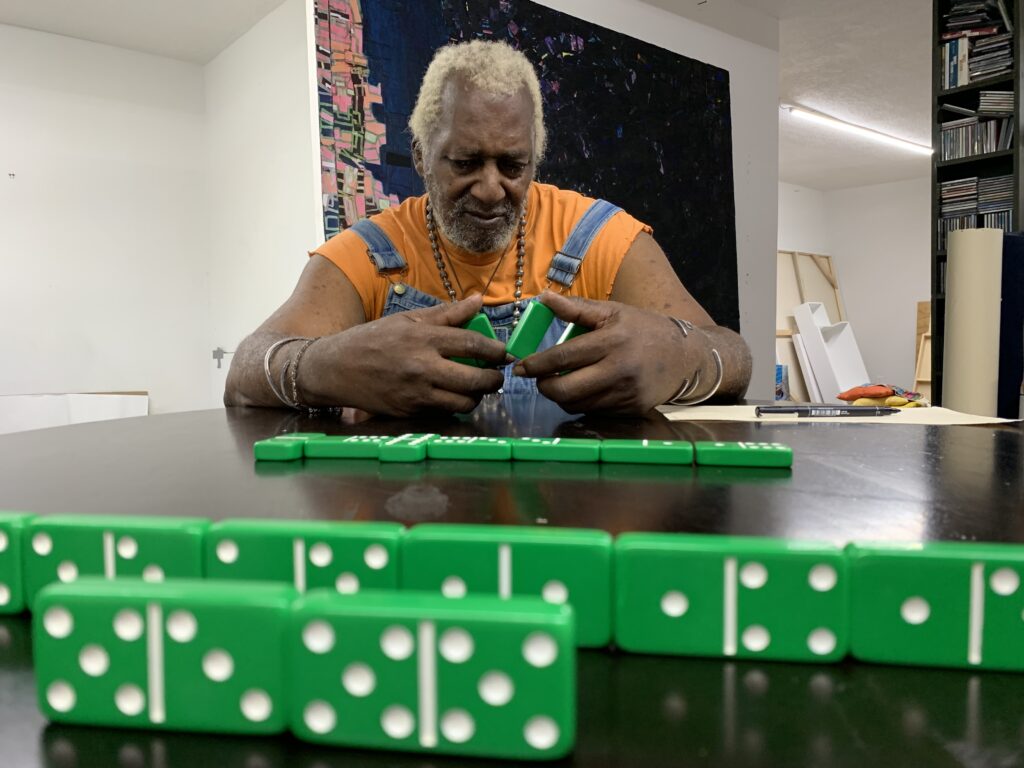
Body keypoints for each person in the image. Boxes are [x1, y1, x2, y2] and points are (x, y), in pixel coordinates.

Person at [224, 40, 751, 417]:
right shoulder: (367, 252)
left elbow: (733, 354)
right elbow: (244, 373)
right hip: (415, 523)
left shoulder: (603, 236)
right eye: (464, 162)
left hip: (570, 524)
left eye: (513, 166)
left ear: (535, 160)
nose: (491, 188)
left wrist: (681, 356)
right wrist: (323, 367)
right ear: (421, 157)